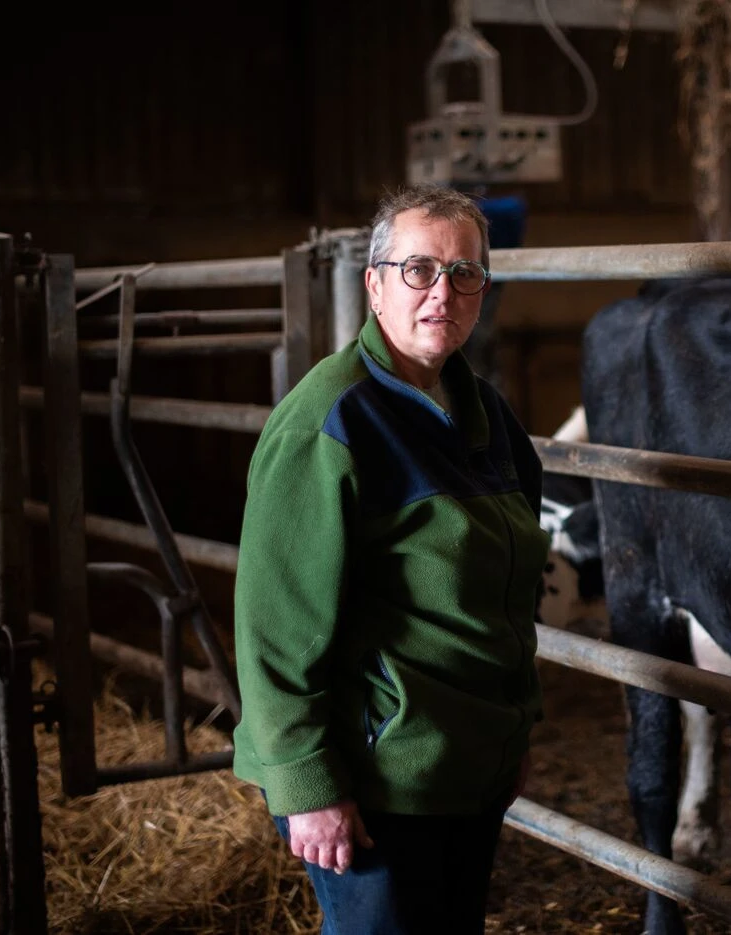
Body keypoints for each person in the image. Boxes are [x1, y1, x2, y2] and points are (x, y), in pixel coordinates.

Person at [232, 184, 549, 934]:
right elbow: (275, 623)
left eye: (465, 272)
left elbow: (508, 589)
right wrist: (307, 785)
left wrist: (514, 732)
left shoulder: (484, 413)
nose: (444, 291)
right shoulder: (330, 420)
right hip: (374, 781)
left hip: (463, 768)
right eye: (419, 270)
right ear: (374, 284)